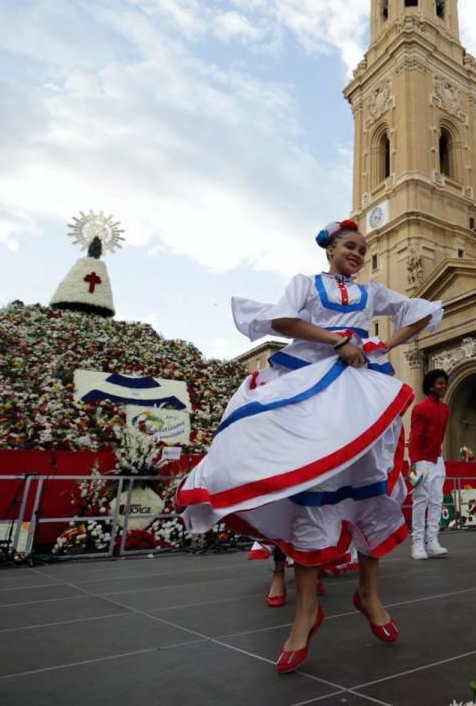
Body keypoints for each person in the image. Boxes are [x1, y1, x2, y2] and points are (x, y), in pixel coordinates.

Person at [179, 218, 442, 673]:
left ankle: (369, 594)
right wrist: (338, 339)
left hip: (360, 392)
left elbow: (420, 311)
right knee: (312, 490)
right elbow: (283, 320)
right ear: (330, 250)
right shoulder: (306, 284)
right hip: (311, 387)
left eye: (362, 248)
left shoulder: (372, 292)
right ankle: (305, 612)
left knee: (370, 487)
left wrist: (383, 345)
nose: (357, 254)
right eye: (349, 247)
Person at [409, 368, 450, 561]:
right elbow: (415, 437)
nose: (443, 386)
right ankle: (417, 543)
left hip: (437, 459)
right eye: (439, 383)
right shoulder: (420, 408)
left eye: (444, 383)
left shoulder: (445, 409)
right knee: (421, 500)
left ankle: (432, 541)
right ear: (430, 386)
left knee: (436, 500)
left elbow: (440, 436)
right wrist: (413, 463)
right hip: (422, 461)